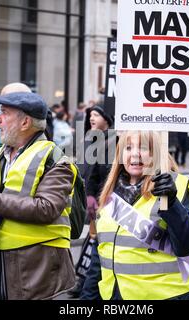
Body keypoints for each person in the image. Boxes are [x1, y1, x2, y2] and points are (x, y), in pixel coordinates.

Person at [0, 90, 77, 300]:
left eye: (4, 113)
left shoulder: (54, 158)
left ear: (25, 122)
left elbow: (47, 208)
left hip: (37, 265)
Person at [80, 131, 189, 300]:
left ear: (156, 153)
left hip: (168, 296)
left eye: (144, 147)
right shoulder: (109, 192)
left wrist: (172, 204)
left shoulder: (176, 186)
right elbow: (100, 255)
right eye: (128, 147)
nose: (135, 153)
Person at [68, 104, 116, 298]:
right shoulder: (88, 138)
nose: (92, 118)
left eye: (96, 114)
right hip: (87, 196)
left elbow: (105, 172)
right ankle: (84, 281)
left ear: (107, 117)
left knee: (95, 241)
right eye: (90, 115)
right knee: (92, 241)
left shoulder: (114, 140)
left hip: (103, 199)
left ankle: (85, 283)